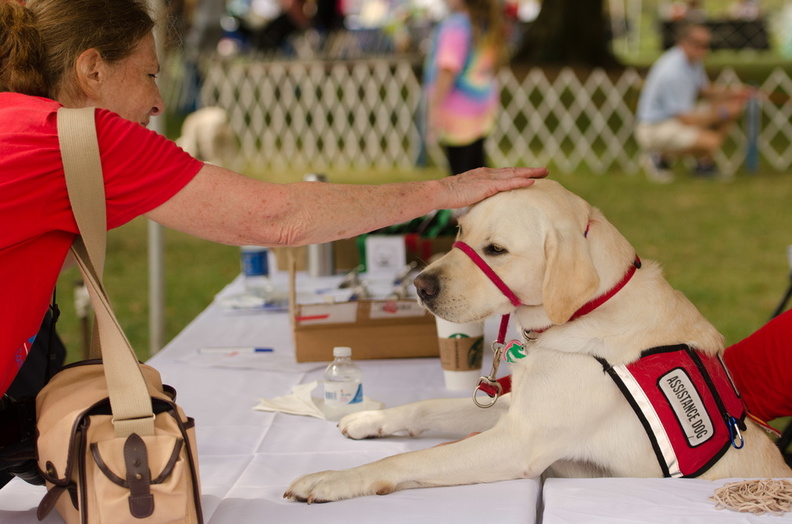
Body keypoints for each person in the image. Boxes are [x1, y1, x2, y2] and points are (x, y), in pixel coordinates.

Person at [0, 0, 547, 456]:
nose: (158, 101)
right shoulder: (77, 139)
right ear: (92, 69)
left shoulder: (23, 126)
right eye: (148, 75)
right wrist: (445, 190)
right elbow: (277, 218)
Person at [635, 22, 752, 183]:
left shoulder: (691, 62)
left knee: (732, 108)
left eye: (707, 45)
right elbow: (687, 119)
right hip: (655, 127)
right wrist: (723, 113)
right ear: (683, 42)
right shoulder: (674, 71)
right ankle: (658, 156)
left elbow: (704, 90)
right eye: (700, 44)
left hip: (674, 119)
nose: (705, 50)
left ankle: (704, 166)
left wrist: (734, 93)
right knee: (713, 141)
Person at [423, 0, 504, 176]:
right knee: (478, 168)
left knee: (461, 176)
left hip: (456, 110)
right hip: (482, 106)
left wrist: (434, 107)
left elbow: (448, 68)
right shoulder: (486, 23)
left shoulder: (456, 25)